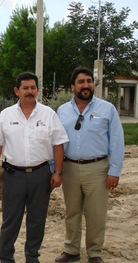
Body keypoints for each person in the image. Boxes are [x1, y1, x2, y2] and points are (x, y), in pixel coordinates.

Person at [0, 72, 69, 263]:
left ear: (38, 90)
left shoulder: (48, 114)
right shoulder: (6, 115)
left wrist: (57, 172)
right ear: (17, 91)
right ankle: (5, 258)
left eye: (33, 88)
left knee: (37, 220)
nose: (29, 91)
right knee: (10, 220)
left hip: (41, 175)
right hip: (13, 175)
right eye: (25, 88)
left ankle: (32, 257)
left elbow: (58, 144)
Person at [55, 67, 124, 263]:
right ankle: (72, 250)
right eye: (81, 82)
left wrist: (115, 171)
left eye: (89, 81)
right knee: (72, 212)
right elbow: (57, 142)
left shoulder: (107, 109)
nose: (86, 85)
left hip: (98, 169)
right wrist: (56, 169)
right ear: (72, 87)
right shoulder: (62, 111)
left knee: (96, 214)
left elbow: (117, 141)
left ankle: (94, 253)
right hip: (69, 169)